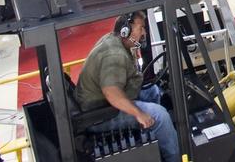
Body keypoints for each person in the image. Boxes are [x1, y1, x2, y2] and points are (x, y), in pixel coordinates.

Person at [76, 11, 178, 162]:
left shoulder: (113, 39)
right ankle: (175, 158)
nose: (144, 33)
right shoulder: (114, 54)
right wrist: (139, 114)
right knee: (160, 116)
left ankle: (156, 140)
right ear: (126, 30)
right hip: (102, 114)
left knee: (154, 92)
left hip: (106, 103)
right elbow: (111, 92)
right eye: (141, 28)